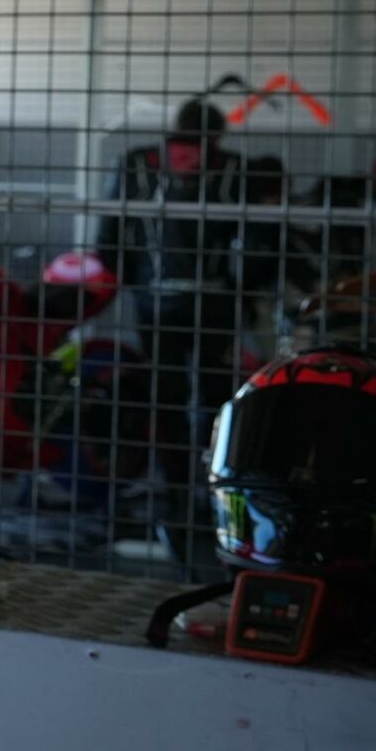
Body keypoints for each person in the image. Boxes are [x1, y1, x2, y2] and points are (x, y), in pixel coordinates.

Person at [98, 98, 249, 493]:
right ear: (219, 135)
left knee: (165, 394)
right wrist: (244, 294)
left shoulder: (137, 162)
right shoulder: (233, 167)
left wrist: (131, 281)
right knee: (217, 391)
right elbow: (255, 243)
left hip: (154, 299)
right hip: (215, 301)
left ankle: (176, 485)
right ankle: (215, 479)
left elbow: (108, 235)